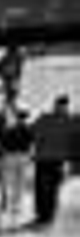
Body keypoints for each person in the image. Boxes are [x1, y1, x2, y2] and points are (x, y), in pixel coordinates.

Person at [31, 95, 72, 228]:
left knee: (51, 189)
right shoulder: (45, 118)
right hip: (43, 158)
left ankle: (47, 217)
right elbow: (33, 132)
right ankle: (42, 215)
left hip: (56, 160)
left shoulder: (69, 121)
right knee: (41, 188)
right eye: (60, 105)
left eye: (64, 106)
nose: (62, 108)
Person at [0, 108, 34, 226]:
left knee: (11, 181)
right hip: (21, 156)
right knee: (18, 182)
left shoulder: (10, 130)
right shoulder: (28, 130)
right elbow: (31, 143)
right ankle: (14, 204)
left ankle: (8, 202)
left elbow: (3, 143)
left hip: (11, 156)